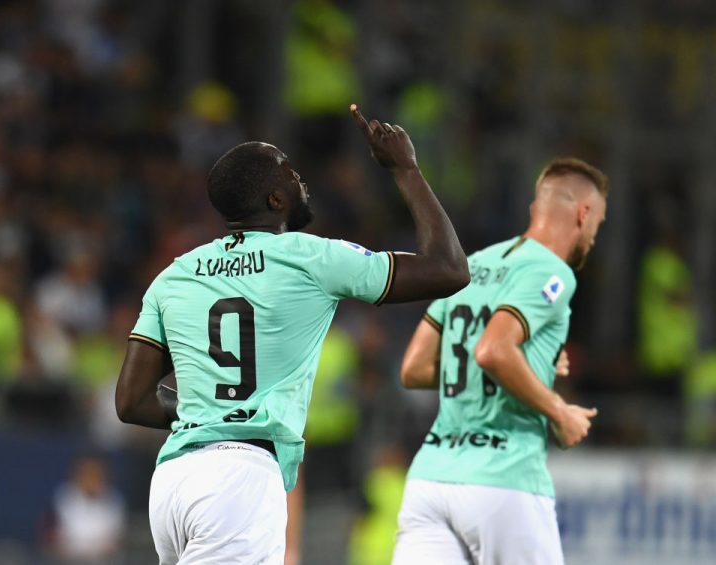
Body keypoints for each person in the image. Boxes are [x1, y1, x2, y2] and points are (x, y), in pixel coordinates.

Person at [115, 104, 471, 565]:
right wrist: (405, 169)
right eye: (289, 172)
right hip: (239, 478)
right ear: (275, 200)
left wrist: (206, 415)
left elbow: (131, 401)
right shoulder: (309, 257)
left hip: (173, 482)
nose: (301, 179)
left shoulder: (175, 275)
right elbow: (448, 269)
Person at [393, 157, 608, 565]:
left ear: (535, 208)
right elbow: (492, 350)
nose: (595, 236)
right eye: (598, 222)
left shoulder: (472, 265)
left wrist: (531, 365)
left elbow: (414, 368)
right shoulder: (553, 272)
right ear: (583, 213)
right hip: (503, 479)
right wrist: (559, 411)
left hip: (431, 477)